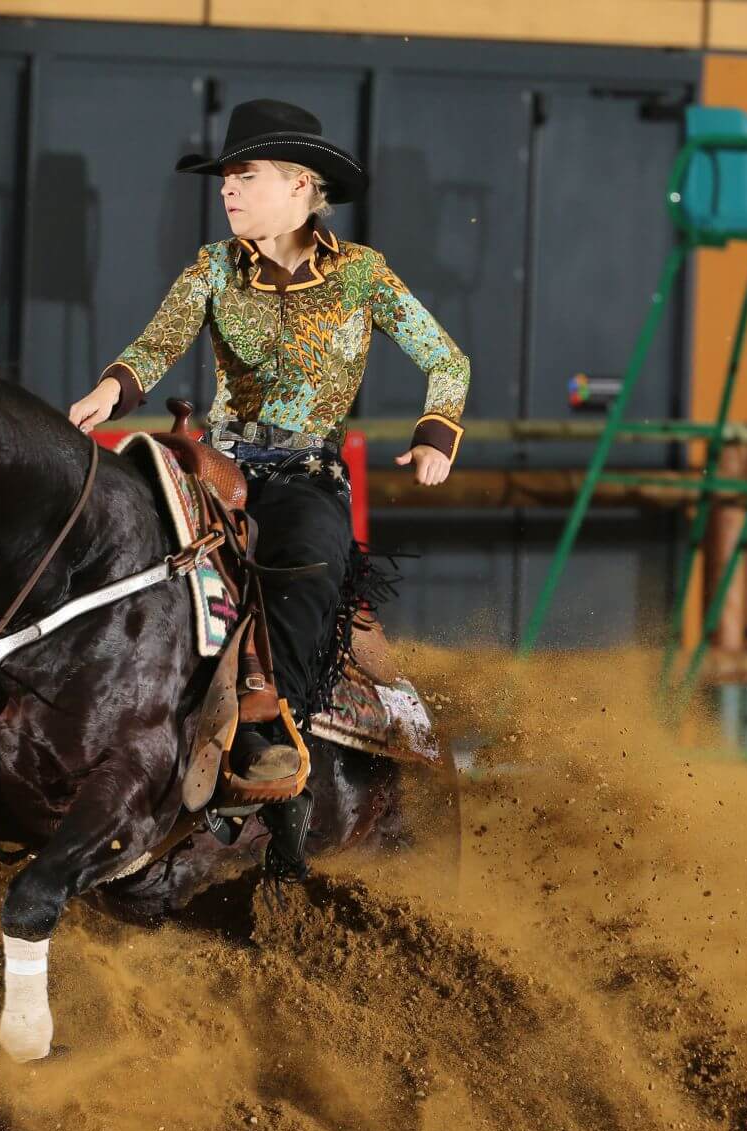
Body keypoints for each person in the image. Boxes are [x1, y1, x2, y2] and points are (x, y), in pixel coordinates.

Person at [68, 98, 468, 863]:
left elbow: (447, 362)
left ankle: (260, 729)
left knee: (309, 570)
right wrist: (113, 390)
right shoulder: (213, 267)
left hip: (304, 477)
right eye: (225, 179)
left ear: (299, 185)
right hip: (212, 461)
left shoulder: (361, 276)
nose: (226, 190)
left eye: (243, 176)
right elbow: (156, 347)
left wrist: (434, 436)